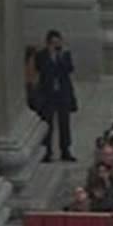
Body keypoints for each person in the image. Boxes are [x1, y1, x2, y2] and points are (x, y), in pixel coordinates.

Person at [33, 31, 77, 163]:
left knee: (64, 123)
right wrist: (51, 56)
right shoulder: (42, 55)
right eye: (53, 43)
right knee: (48, 123)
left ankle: (65, 150)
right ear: (48, 43)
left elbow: (69, 69)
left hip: (62, 93)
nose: (56, 45)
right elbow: (40, 69)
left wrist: (60, 57)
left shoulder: (65, 54)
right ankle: (47, 151)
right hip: (48, 94)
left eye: (58, 42)